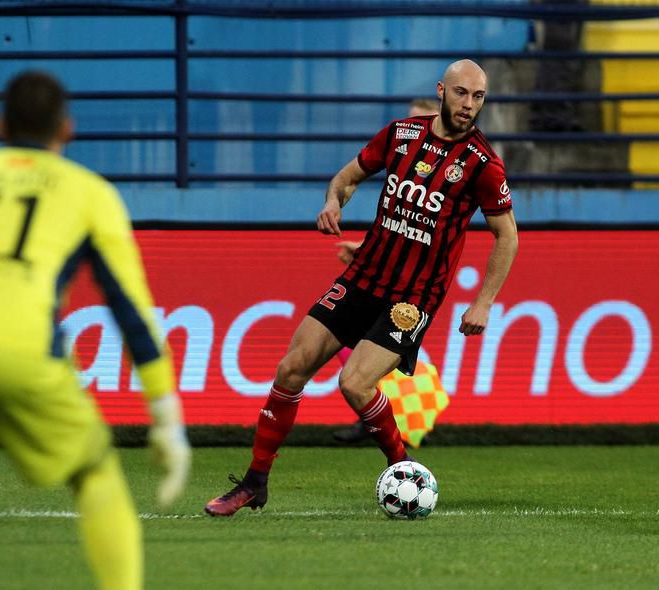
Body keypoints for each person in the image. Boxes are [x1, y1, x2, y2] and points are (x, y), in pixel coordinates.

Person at [205, 59, 519, 516]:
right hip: (363, 276)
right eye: (461, 93)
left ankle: (403, 468)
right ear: (441, 91)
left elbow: (506, 235)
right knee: (291, 369)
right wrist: (333, 203)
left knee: (353, 384)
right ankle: (255, 482)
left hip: (412, 298)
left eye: (478, 97)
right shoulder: (401, 134)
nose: (469, 105)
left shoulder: (482, 164)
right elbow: (346, 178)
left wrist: (484, 302)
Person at [0, 71, 191, 589]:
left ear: (0, 124)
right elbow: (131, 313)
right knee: (95, 472)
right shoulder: (87, 194)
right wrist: (165, 416)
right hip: (17, 351)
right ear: (67, 130)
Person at [332, 96, 442, 445]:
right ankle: (376, 422)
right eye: (411, 120)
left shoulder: (445, 174)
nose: (415, 127)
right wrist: (365, 253)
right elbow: (396, 230)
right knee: (350, 350)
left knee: (382, 354)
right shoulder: (404, 161)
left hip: (414, 290)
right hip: (383, 277)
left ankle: (406, 426)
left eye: (421, 119)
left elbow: (420, 238)